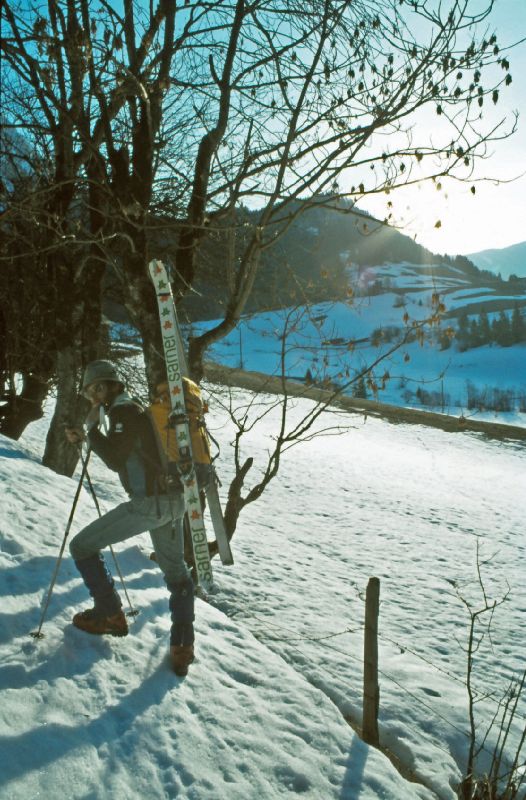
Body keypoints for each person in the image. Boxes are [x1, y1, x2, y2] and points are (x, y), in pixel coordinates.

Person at [65, 359, 196, 676]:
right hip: (174, 500)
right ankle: (183, 645)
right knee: (177, 574)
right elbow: (125, 450)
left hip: (150, 504)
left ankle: (109, 614)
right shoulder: (134, 408)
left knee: (81, 547)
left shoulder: (123, 411)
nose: (90, 399)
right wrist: (90, 435)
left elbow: (114, 457)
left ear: (101, 387)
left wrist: (92, 429)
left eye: (90, 393)